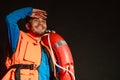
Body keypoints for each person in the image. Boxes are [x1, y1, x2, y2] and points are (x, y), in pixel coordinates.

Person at [2, 7, 75, 80]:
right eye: (36, 20)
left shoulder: (48, 50)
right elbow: (10, 19)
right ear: (27, 26)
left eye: (43, 21)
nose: (40, 23)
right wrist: (29, 11)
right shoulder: (18, 38)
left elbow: (58, 72)